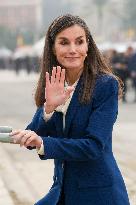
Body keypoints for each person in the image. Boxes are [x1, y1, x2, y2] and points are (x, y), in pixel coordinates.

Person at [10, 14, 130, 205]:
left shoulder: (105, 85)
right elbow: (33, 135)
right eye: (64, 42)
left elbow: (94, 146)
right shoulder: (54, 82)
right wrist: (49, 107)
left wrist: (44, 143)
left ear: (88, 46)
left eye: (79, 42)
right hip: (62, 191)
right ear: (53, 48)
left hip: (99, 195)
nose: (73, 50)